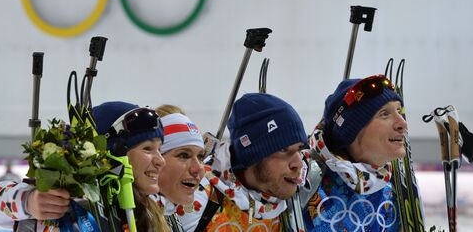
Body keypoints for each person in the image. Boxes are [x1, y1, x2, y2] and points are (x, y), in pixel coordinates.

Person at [0, 101, 170, 232]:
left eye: (160, 150)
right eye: (148, 149)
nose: (161, 160)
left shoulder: (155, 210)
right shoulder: (63, 198)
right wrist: (28, 201)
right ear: (112, 152)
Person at [178, 92, 308, 232]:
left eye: (299, 149)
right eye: (283, 149)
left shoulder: (294, 193)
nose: (298, 164)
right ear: (253, 154)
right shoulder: (195, 197)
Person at [301, 74, 405, 232]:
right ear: (351, 132)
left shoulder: (399, 185)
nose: (402, 123)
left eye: (399, 111)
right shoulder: (305, 180)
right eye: (385, 114)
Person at [153, 104, 206, 231]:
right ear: (156, 159)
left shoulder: (169, 211)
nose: (198, 168)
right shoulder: (131, 217)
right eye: (184, 155)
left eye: (200, 156)